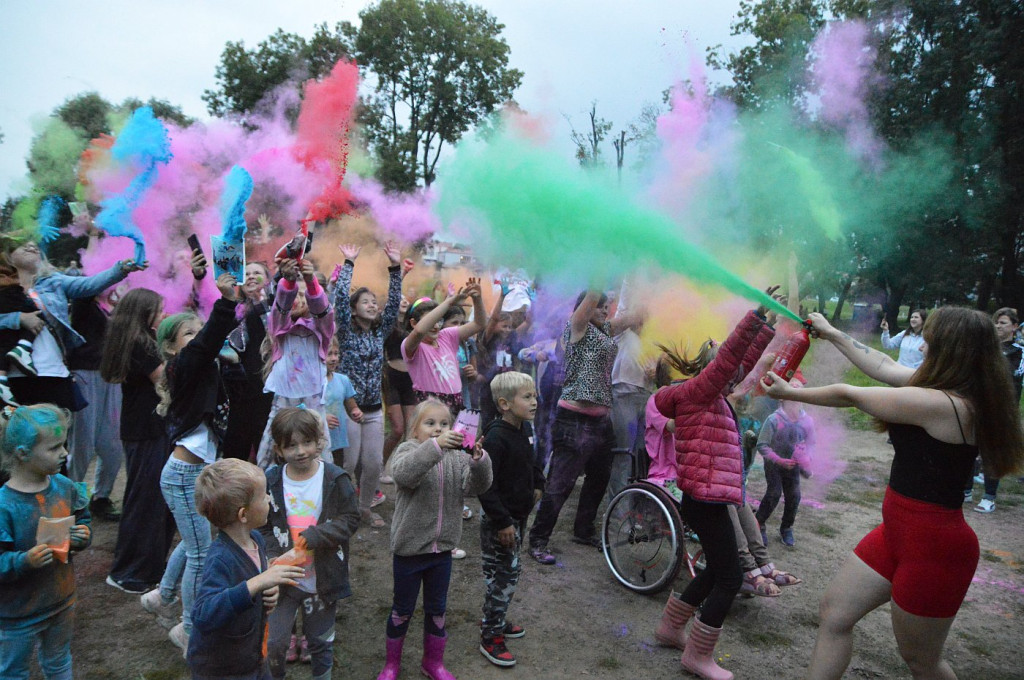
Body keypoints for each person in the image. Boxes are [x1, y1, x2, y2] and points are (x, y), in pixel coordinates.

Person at [761, 308, 1024, 680]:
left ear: (950, 349)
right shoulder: (946, 391)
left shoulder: (946, 405)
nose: (923, 343)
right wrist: (833, 332)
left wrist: (788, 392)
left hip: (934, 549)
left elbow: (851, 394)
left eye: (931, 340)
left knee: (921, 659)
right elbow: (884, 364)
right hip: (896, 533)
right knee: (835, 614)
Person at [652, 300, 776, 680]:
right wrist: (752, 318)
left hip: (706, 497)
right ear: (711, 368)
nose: (733, 375)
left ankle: (670, 630)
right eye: (723, 367)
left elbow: (741, 363)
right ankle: (697, 656)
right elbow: (731, 360)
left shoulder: (713, 394)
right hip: (704, 499)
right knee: (730, 577)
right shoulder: (698, 392)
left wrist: (765, 327)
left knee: (716, 570)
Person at [374, 399, 492, 680]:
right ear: (415, 430)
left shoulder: (459, 458)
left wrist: (479, 461)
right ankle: (392, 665)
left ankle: (432, 663)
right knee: (402, 610)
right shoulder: (408, 450)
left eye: (444, 424)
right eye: (430, 424)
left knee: (437, 611)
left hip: (442, 552)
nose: (438, 428)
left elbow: (476, 488)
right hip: (409, 551)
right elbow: (403, 474)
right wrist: (436, 448)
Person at [154, 273, 239, 652]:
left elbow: (217, 344)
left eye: (197, 330)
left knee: (195, 542)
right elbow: (207, 344)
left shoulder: (205, 368)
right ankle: (187, 630)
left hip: (196, 472)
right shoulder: (182, 367)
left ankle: (163, 595)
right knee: (202, 553)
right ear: (172, 348)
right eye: (189, 334)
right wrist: (223, 303)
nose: (199, 337)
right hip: (183, 475)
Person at [527, 290, 640, 563]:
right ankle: (538, 540)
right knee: (560, 485)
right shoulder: (576, 329)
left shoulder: (604, 332)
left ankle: (583, 529)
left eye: (607, 306)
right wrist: (599, 270)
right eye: (599, 306)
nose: (604, 310)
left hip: (602, 421)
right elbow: (590, 302)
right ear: (584, 308)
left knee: (599, 478)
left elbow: (632, 316)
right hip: (575, 420)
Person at [261, 407, 360, 680]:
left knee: (320, 641)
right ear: (279, 450)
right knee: (274, 643)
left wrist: (315, 536)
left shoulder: (335, 478)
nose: (301, 451)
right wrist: (271, 553)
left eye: (307, 442)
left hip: (323, 579)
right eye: (291, 445)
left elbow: (351, 519)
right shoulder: (271, 481)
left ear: (319, 442)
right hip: (283, 580)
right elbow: (263, 525)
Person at [187, 458, 305, 680]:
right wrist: (258, 583)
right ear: (243, 515)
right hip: (222, 669)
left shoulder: (256, 540)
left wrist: (267, 589)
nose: (269, 498)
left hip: (252, 657)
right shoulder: (220, 558)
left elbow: (250, 584)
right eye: (263, 496)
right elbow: (203, 614)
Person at [0, 405, 92, 680]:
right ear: (22, 454)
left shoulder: (65, 487)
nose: (64, 453)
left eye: (63, 444)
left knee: (59, 662)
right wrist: (23, 560)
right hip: (17, 614)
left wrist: (82, 537)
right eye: (54, 448)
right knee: (14, 672)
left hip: (61, 601)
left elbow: (82, 519)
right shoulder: (5, 506)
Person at [0, 238, 143, 411]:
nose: (31, 247)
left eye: (35, 246)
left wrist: (120, 269)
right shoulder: (5, 288)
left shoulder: (54, 282)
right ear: (8, 256)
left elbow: (89, 285)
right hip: (12, 376)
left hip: (52, 371)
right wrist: (19, 318)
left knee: (55, 433)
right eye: (24, 245)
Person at [99, 288, 176, 595]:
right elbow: (166, 381)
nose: (163, 314)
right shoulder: (142, 344)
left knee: (146, 500)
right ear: (145, 314)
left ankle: (142, 569)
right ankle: (130, 573)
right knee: (146, 502)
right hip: (147, 429)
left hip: (142, 428)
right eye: (159, 310)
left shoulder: (134, 340)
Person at [477, 372, 545, 668]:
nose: (534, 401)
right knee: (503, 577)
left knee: (508, 574)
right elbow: (485, 486)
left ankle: (497, 618)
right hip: (499, 522)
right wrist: (503, 522)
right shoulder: (495, 437)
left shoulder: (525, 429)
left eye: (534, 395)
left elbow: (532, 461)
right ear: (504, 404)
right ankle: (490, 635)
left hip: (517, 516)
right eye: (527, 397)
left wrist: (539, 483)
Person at [333, 242, 403, 521]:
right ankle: (342, 508)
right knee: (349, 462)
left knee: (373, 464)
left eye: (374, 301)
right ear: (353, 310)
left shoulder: (379, 334)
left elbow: (394, 303)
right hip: (349, 408)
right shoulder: (346, 332)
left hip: (374, 409)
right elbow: (339, 299)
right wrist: (349, 263)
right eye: (366, 301)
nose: (373, 304)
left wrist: (395, 268)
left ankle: (363, 509)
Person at [256, 258, 335, 469]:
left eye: (303, 295)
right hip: (284, 399)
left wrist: (311, 282)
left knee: (320, 447)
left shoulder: (321, 330)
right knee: (270, 447)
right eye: (294, 295)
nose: (298, 300)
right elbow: (279, 309)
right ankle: (265, 490)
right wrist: (288, 282)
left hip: (312, 400)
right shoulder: (279, 329)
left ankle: (324, 489)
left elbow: (323, 312)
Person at [66, 288, 124, 521]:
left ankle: (101, 497)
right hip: (84, 374)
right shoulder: (84, 299)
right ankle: (73, 502)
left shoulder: (119, 300)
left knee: (113, 444)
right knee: (82, 444)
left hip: (113, 374)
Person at [401, 281, 487, 414]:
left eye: (439, 320)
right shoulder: (411, 345)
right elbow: (419, 331)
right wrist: (448, 303)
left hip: (457, 401)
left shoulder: (446, 336)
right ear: (413, 323)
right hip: (431, 406)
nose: (436, 326)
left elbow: (479, 324)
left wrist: (477, 299)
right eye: (431, 322)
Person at [970, 307, 1023, 513]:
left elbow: (1013, 376)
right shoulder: (984, 349)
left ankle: (989, 497)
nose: (998, 326)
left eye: (1003, 322)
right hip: (976, 406)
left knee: (992, 453)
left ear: (1015, 326)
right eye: (996, 322)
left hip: (1001, 411)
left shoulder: (1019, 353)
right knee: (969, 449)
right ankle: (965, 491)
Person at [222, 261, 275, 462]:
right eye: (247, 273)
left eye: (257, 273)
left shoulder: (277, 308)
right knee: (236, 451)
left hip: (268, 388)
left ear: (268, 280)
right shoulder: (234, 309)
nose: (251, 276)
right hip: (239, 391)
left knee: (266, 449)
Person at [754, 373, 815, 547]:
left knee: (794, 496)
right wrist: (779, 460)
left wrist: (807, 458)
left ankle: (787, 527)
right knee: (773, 493)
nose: (795, 403)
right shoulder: (774, 419)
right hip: (774, 463)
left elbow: (812, 443)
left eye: (798, 399)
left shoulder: (807, 421)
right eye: (791, 399)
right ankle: (759, 523)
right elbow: (762, 445)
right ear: (782, 400)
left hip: (794, 464)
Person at [323, 337, 360, 466]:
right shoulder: (311, 382)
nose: (334, 358)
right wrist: (321, 419)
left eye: (336, 353)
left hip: (337, 441)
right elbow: (301, 408)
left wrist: (356, 411)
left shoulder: (342, 380)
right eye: (329, 354)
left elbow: (351, 405)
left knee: (336, 473)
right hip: (317, 441)